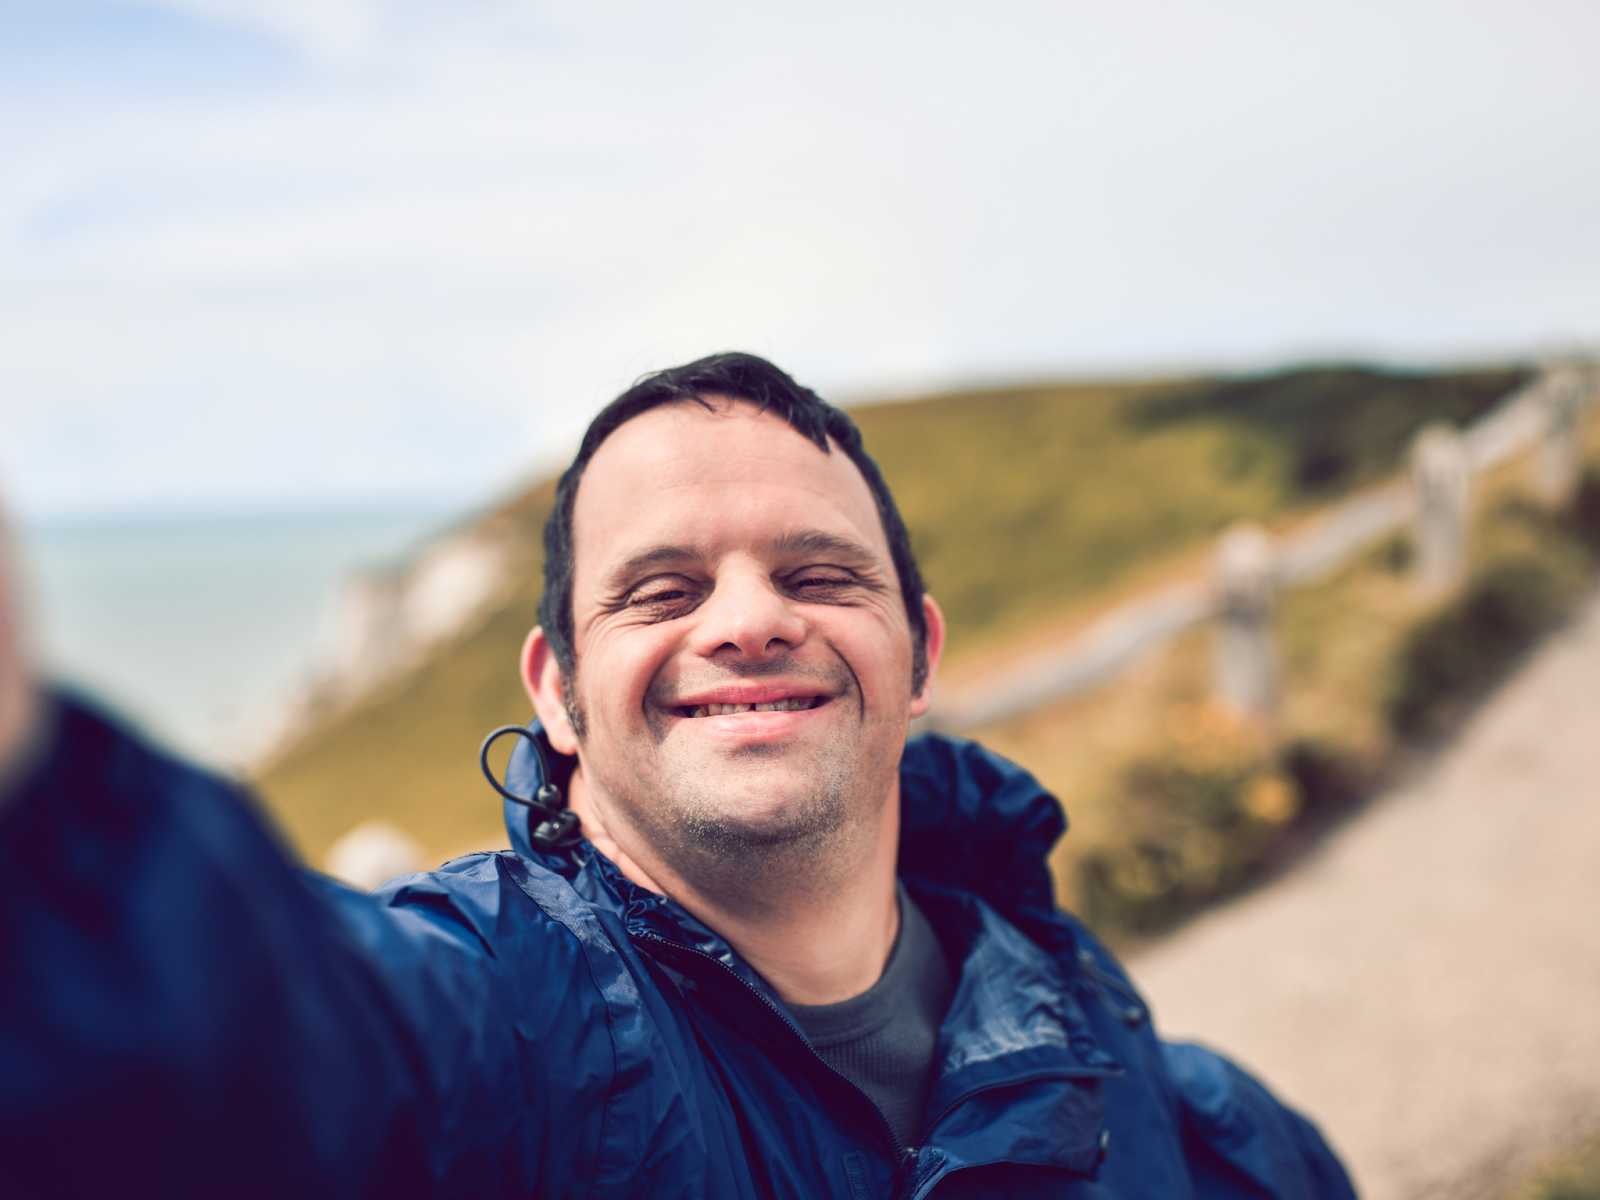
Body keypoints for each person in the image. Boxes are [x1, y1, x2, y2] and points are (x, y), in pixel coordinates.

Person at [0, 353, 1355, 1198]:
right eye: (662, 591)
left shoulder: (1081, 1016)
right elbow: (236, 1053)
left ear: (920, 649)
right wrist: (39, 826)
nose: (749, 620)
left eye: (819, 574)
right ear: (559, 693)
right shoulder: (503, 1020)